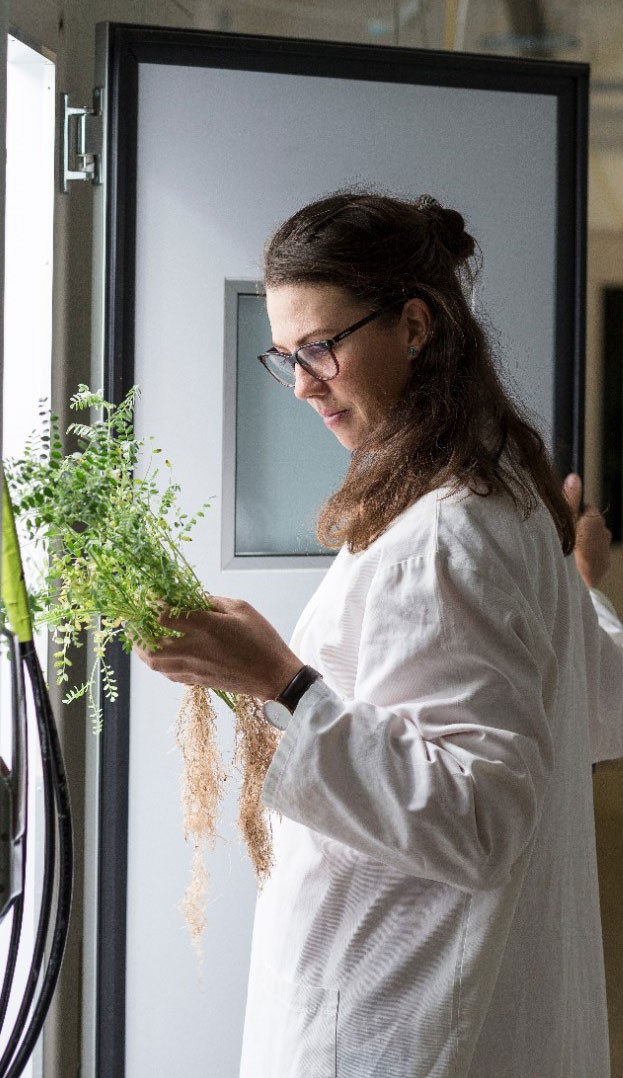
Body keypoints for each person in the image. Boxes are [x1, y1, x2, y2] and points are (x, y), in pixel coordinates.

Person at [136, 192, 623, 1078]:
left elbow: (480, 821)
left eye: (320, 347)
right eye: (284, 356)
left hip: (399, 1020)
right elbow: (596, 705)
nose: (301, 384)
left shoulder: (449, 530)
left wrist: (282, 684)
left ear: (412, 325)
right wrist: (574, 591)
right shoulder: (498, 487)